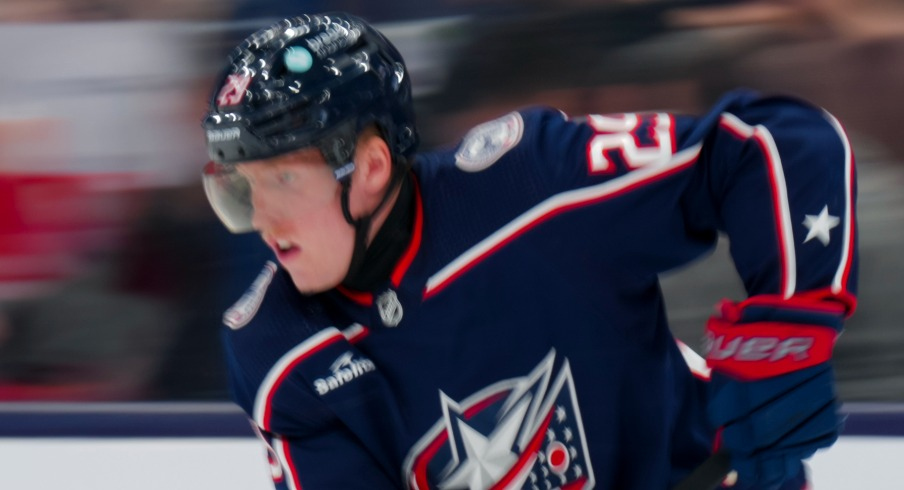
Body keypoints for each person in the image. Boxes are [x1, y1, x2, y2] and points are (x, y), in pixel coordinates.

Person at [200, 12, 857, 490]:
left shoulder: (531, 183)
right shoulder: (276, 345)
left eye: (283, 179)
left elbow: (776, 144)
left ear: (370, 167)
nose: (261, 219)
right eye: (242, 188)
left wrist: (791, 323)